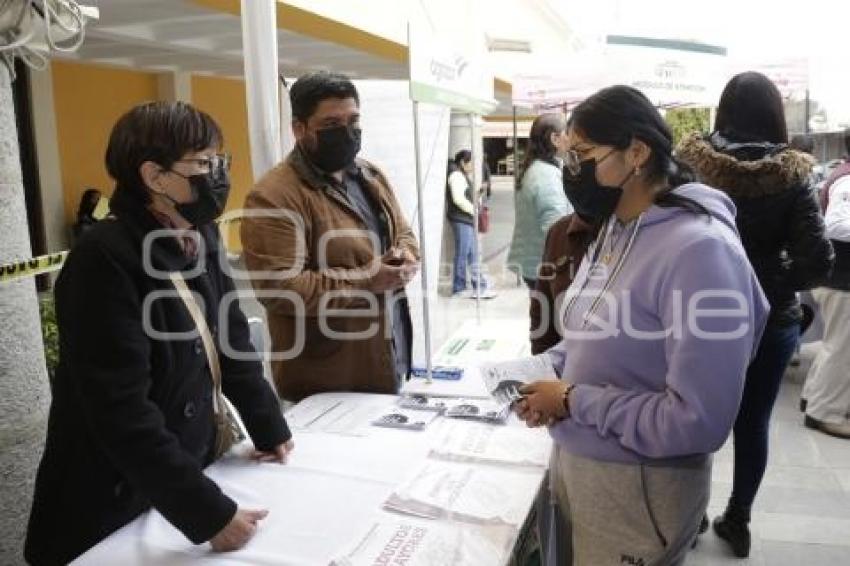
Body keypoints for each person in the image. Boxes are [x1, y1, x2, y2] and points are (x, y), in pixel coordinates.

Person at [25, 102, 293, 565]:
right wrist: (207, 514)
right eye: (203, 163)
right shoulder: (103, 258)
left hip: (180, 468)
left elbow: (230, 339)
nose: (218, 174)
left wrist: (268, 426)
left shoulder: (200, 234)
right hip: (112, 496)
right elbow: (120, 410)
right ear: (154, 176)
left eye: (219, 160)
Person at [513, 85, 770, 566]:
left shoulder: (700, 252)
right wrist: (544, 380)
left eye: (584, 155)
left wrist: (571, 399)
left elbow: (698, 420)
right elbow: (587, 333)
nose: (573, 170)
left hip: (640, 490)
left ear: (637, 152)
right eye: (569, 155)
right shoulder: (616, 227)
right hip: (583, 468)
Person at [678, 71, 834, 558]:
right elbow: (818, 261)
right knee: (754, 424)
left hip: (702, 316)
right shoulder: (792, 177)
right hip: (771, 322)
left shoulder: (691, 168)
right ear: (774, 115)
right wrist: (768, 283)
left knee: (688, 414)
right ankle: (738, 519)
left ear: (723, 111)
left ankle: (688, 512)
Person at [240, 71, 420, 403]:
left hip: (386, 359)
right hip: (325, 381)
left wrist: (406, 255)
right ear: (299, 128)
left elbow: (404, 232)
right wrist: (367, 279)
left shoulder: (369, 175)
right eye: (331, 124)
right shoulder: (274, 196)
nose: (347, 132)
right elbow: (281, 289)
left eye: (353, 120)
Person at [801, 129, 850, 439]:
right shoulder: (846, 180)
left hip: (837, 277)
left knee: (835, 344)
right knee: (841, 348)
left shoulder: (842, 175)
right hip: (841, 279)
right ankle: (825, 412)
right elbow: (833, 224)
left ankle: (813, 398)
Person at [507, 113, 572, 289]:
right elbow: (555, 228)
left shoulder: (537, 169)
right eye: (569, 133)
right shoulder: (547, 176)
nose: (572, 139)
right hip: (545, 267)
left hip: (534, 264)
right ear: (555, 138)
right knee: (547, 316)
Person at [529, 212, 593, 354]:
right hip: (563, 366)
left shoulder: (629, 234)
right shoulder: (559, 232)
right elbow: (542, 314)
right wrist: (543, 367)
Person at [446, 149, 494, 297]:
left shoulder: (462, 175)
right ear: (462, 162)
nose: (473, 166)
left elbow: (466, 197)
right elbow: (458, 199)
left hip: (465, 219)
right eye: (471, 162)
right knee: (463, 253)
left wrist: (479, 193)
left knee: (472, 254)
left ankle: (479, 285)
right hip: (462, 219)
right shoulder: (456, 175)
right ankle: (459, 287)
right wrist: (475, 211)